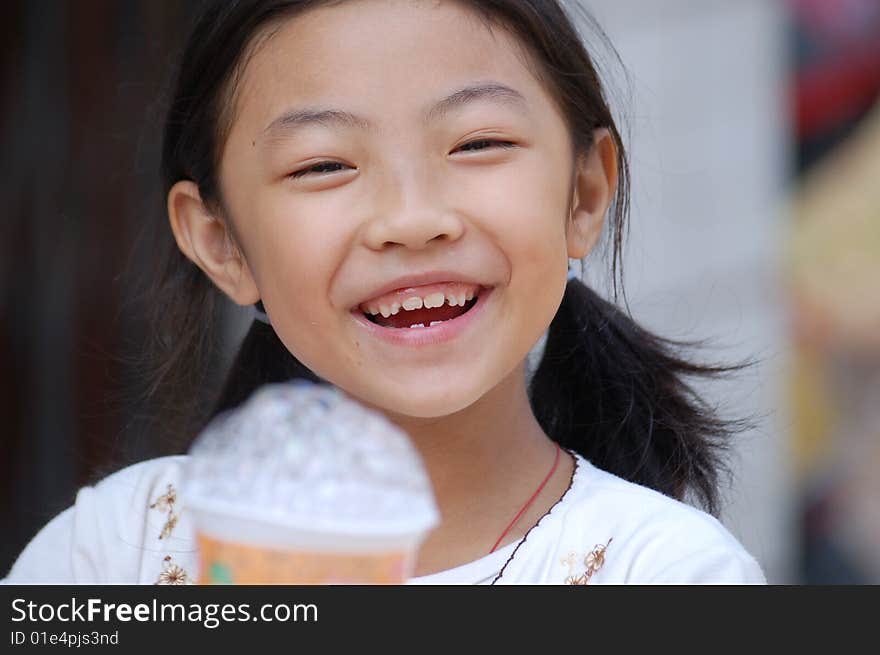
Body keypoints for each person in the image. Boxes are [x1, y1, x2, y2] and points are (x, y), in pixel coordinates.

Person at [3, 0, 765, 585]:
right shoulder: (117, 551)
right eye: (323, 164)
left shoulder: (663, 570)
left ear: (585, 192)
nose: (411, 220)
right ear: (220, 241)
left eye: (478, 144)